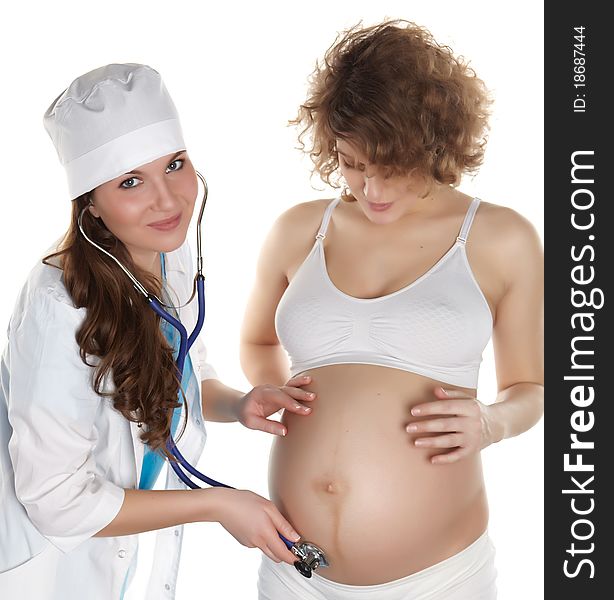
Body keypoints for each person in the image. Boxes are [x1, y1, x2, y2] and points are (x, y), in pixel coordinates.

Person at [240, 19, 544, 600]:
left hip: (440, 578)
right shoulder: (299, 230)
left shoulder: (502, 238)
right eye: (353, 165)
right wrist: (275, 394)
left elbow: (532, 386)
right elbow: (256, 342)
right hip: (292, 572)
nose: (372, 191)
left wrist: (491, 422)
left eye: (391, 168)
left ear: (434, 142)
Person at [0, 63, 313, 600]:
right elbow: (58, 498)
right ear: (90, 205)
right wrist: (219, 505)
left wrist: (236, 404)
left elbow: (174, 372)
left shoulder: (165, 254)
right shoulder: (60, 308)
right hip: (44, 566)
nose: (167, 201)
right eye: (130, 182)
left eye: (175, 165)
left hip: (113, 560)